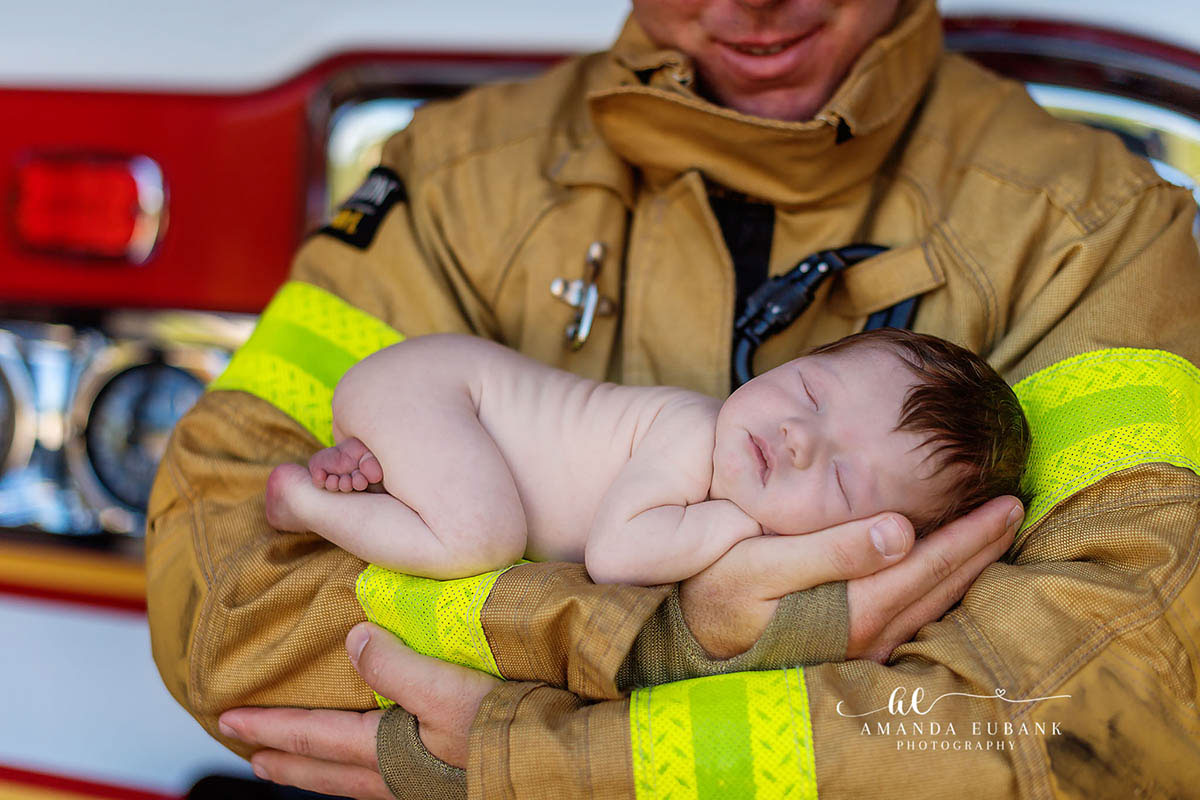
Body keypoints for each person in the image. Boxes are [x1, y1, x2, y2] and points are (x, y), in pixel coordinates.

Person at [145, 0, 1200, 797]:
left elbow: (1106, 705)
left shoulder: (1096, 231)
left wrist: (543, 761)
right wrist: (674, 638)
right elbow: (220, 599)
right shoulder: (458, 179)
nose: (754, 4)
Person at [265, 329, 1031, 586]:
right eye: (808, 390)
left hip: (449, 423)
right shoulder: (692, 433)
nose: (798, 435)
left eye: (838, 476)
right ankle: (306, 502)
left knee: (473, 504)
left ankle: (382, 475)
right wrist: (736, 526)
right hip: (442, 390)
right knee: (480, 538)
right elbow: (616, 554)